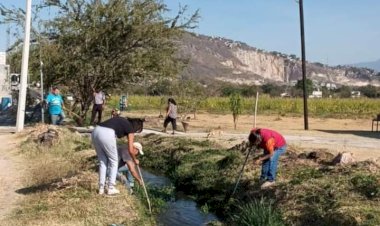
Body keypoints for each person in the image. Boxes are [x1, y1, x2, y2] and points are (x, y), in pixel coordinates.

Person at [91, 117, 144, 195]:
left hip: (96, 131)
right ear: (136, 127)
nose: (135, 132)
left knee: (103, 161)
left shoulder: (123, 122)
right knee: (114, 161)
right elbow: (130, 150)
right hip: (107, 134)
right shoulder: (130, 129)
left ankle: (101, 189)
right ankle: (111, 188)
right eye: (136, 131)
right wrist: (135, 159)